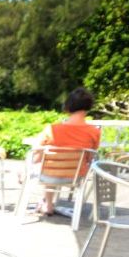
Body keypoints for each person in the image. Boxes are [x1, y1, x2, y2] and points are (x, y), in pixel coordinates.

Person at [32, 87, 101, 215]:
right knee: (58, 165)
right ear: (88, 107)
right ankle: (47, 203)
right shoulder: (94, 132)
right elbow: (90, 158)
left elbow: (36, 152)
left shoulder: (52, 129)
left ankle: (47, 203)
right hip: (76, 177)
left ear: (68, 106)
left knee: (40, 160)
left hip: (48, 176)